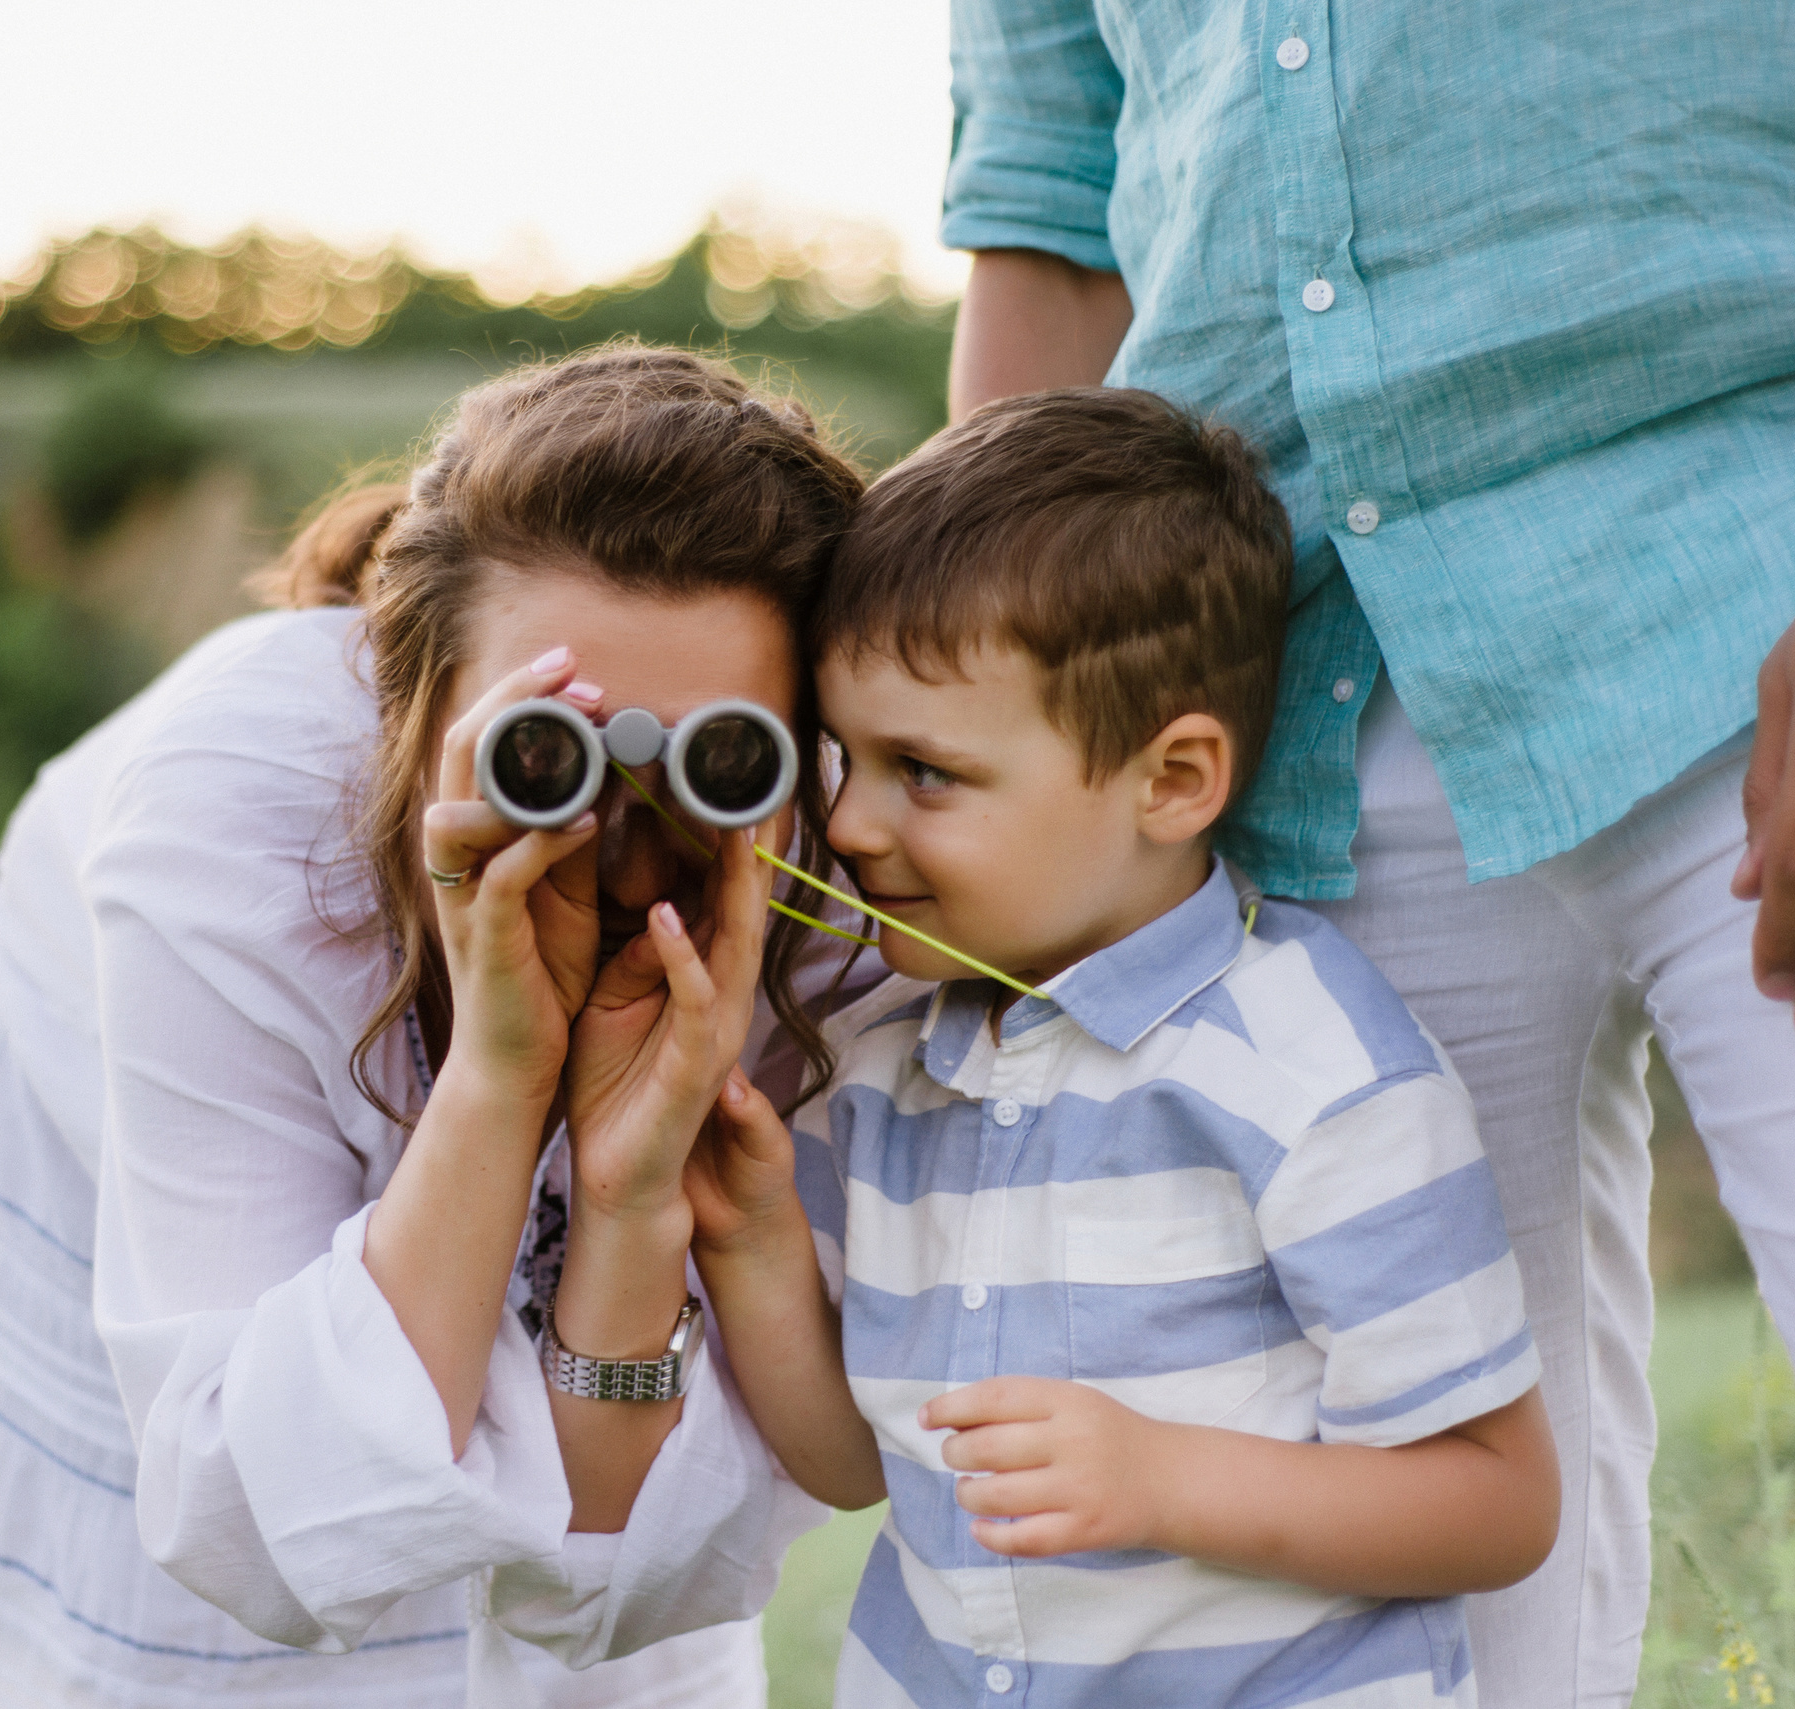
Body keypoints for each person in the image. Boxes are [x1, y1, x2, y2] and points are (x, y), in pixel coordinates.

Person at [933, 3, 1795, 1699]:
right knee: (1402, 1551)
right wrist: (994, 753)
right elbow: (1046, 231)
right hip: (1289, 701)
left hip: (1755, 609)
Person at [0, 343, 863, 1708]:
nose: (626, 842)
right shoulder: (235, 827)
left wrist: (634, 1201)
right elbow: (254, 1527)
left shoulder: (851, 867)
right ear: (402, 708)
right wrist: (500, 1080)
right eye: (547, 749)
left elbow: (630, 1568)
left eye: (719, 761)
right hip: (123, 1120)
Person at [653, 388, 1557, 1705]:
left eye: (925, 770)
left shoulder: (1309, 1069)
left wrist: (1159, 1477)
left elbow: (1498, 1503)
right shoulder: (885, 1071)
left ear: (1173, 780)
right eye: (837, 757)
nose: (844, 823)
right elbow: (855, 1464)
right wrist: (750, 1243)